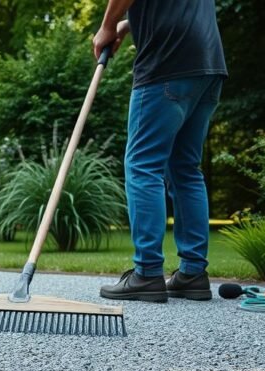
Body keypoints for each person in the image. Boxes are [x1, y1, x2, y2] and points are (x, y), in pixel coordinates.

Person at [93, 0, 227, 302]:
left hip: (167, 62)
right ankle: (193, 274)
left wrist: (107, 25)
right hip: (207, 63)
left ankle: (147, 273)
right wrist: (128, 24)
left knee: (143, 166)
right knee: (186, 170)